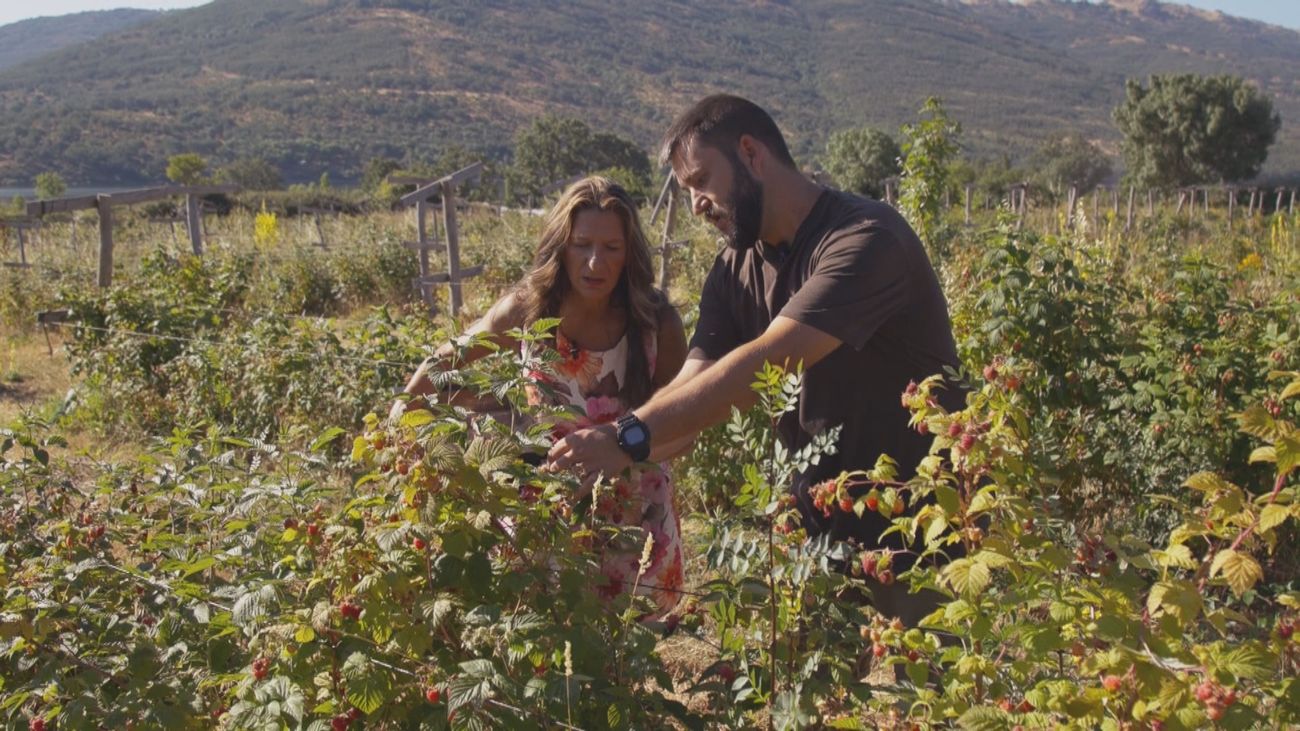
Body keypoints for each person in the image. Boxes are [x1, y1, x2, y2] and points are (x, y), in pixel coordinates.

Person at [547, 95, 966, 628]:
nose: (696, 205)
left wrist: (624, 437)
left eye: (701, 180)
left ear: (750, 153)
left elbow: (771, 360)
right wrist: (606, 454)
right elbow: (695, 384)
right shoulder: (734, 269)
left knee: (927, 678)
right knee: (810, 677)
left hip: (919, 523)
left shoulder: (866, 239)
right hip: (819, 529)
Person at [392, 176, 689, 616]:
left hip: (636, 516)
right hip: (551, 507)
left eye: (612, 247)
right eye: (581, 245)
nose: (595, 262)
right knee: (546, 634)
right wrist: (403, 418)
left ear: (630, 253)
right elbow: (445, 361)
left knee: (628, 642)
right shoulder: (528, 311)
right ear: (560, 246)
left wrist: (623, 449)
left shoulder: (656, 323)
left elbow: (684, 430)